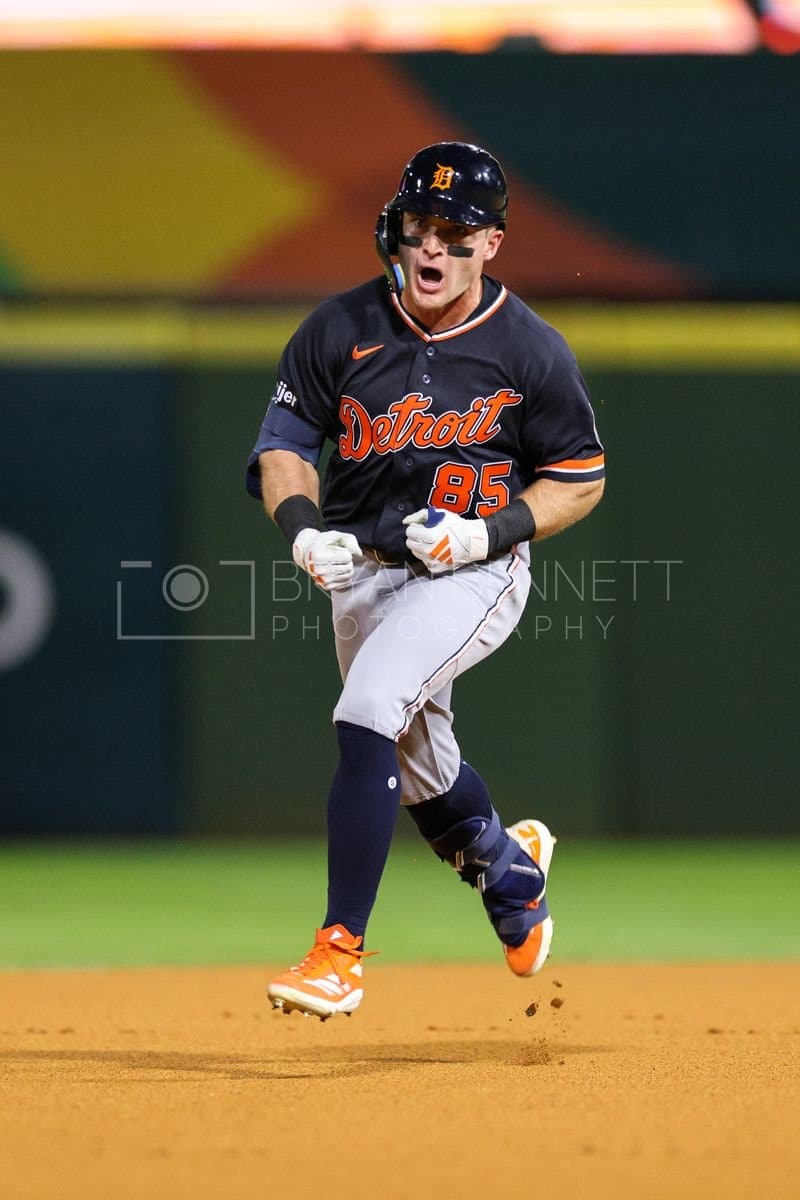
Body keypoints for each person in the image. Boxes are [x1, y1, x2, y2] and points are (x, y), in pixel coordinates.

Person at [245, 141, 605, 1020]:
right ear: (395, 232)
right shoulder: (338, 328)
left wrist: (491, 531)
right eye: (419, 226)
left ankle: (340, 953)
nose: (433, 248)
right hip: (363, 574)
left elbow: (579, 477)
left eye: (456, 231)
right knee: (418, 766)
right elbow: (282, 452)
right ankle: (507, 869)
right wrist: (302, 534)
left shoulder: (529, 349)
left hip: (472, 572)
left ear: (492, 244)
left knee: (367, 712)